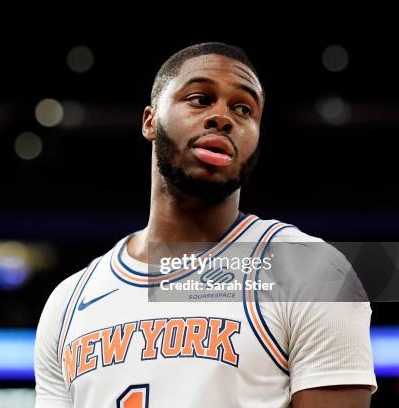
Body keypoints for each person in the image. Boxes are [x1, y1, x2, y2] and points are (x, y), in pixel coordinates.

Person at [34, 42, 376, 407]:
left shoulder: (311, 270)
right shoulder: (68, 302)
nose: (222, 117)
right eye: (199, 99)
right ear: (150, 121)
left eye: (244, 109)